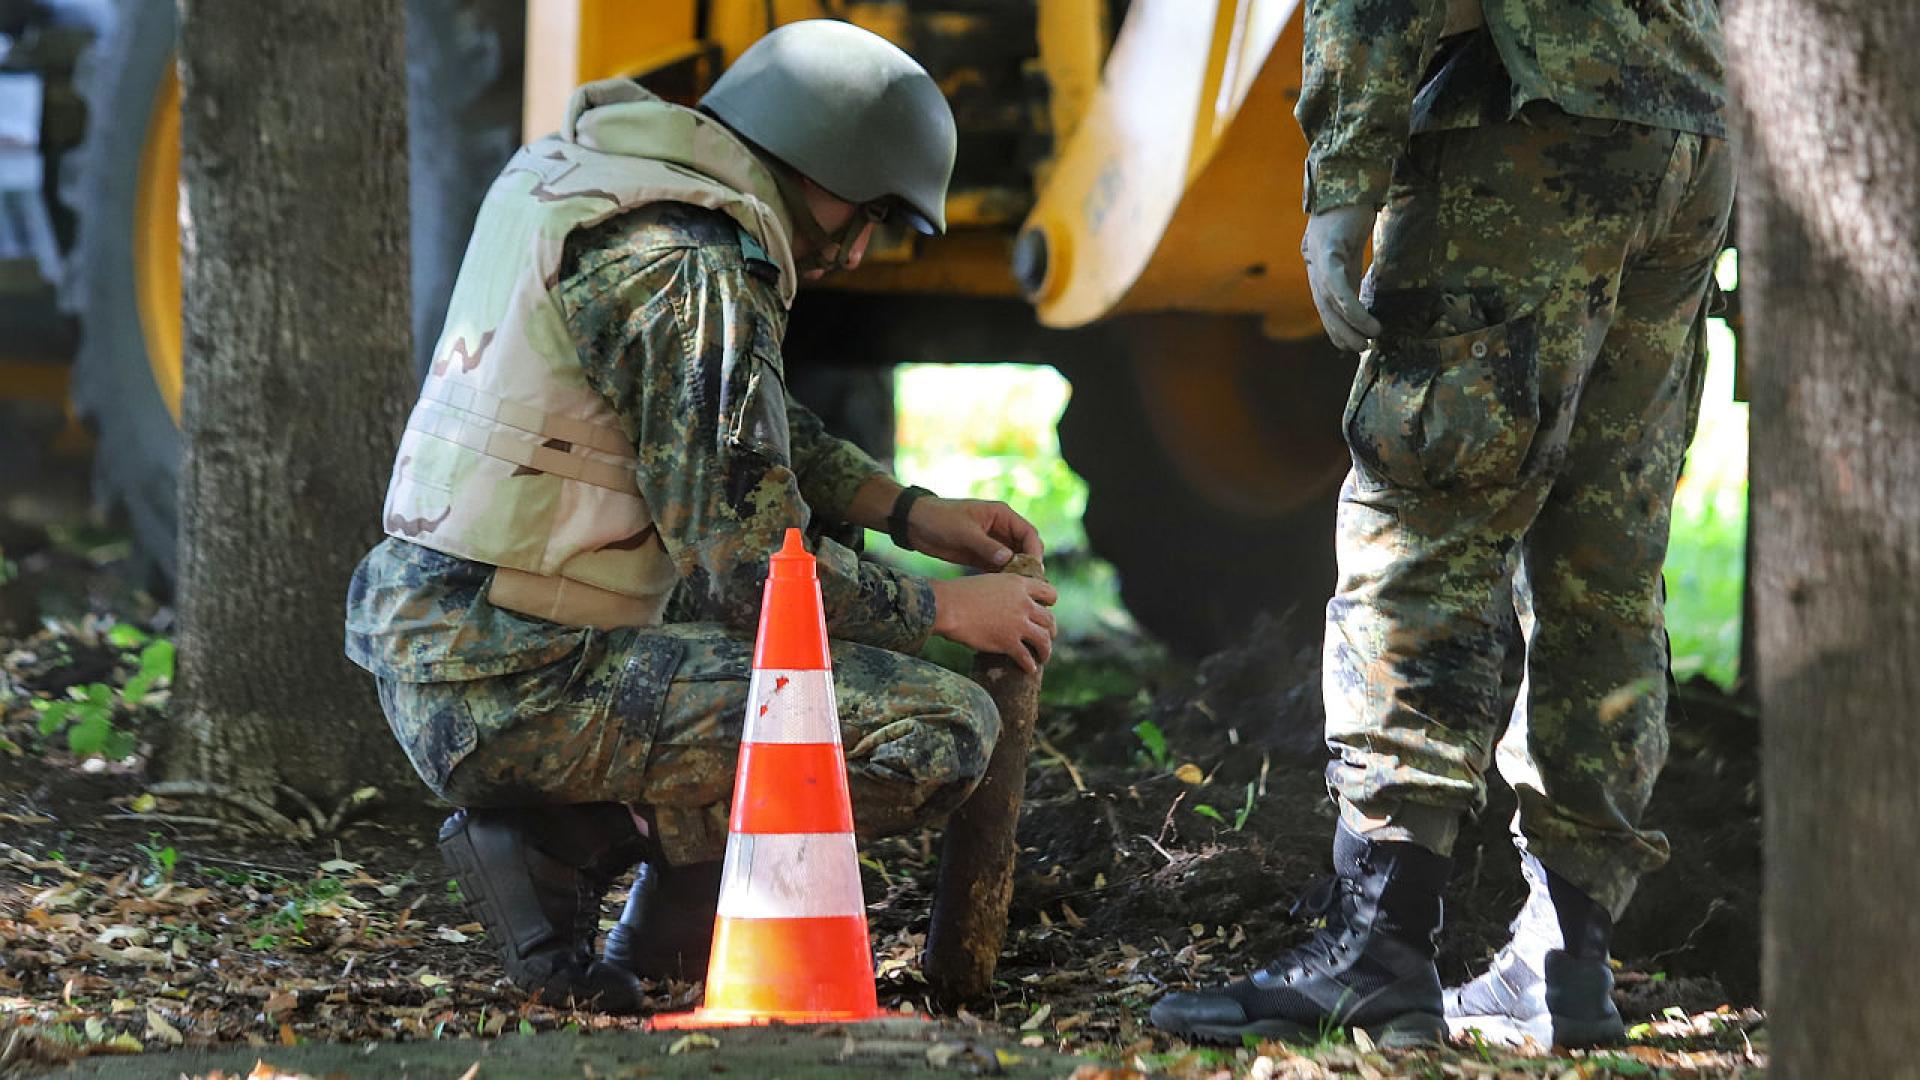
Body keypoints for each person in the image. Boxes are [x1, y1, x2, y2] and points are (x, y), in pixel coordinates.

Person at [344, 19, 1058, 1013]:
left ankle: (677, 927)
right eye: (872, 218)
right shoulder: (692, 267)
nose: (857, 253)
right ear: (826, 169)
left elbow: (729, 422)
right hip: (513, 676)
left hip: (471, 637)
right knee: (937, 730)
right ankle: (550, 847)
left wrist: (908, 511)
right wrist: (946, 612)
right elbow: (752, 571)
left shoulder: (610, 181)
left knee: (827, 571)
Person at [1149, 0, 1733, 1049]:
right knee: (1604, 550)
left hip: (1526, 113)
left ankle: (1377, 944)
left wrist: (1341, 178)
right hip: (1688, 119)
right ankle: (1568, 965)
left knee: (1423, 514)